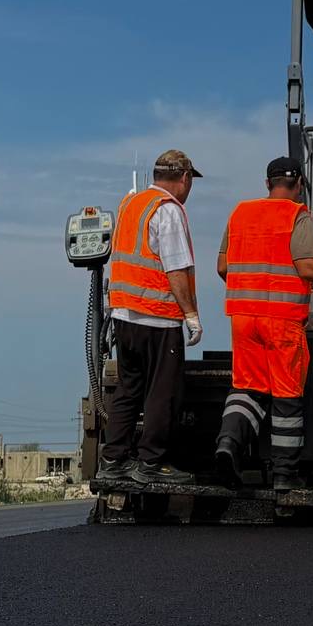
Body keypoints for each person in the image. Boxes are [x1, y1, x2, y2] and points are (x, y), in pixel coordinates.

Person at [208, 156, 313, 489]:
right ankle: (285, 475)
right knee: (287, 398)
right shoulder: (297, 215)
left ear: (267, 183)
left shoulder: (240, 212)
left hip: (243, 320)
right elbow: (307, 267)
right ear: (299, 183)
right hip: (281, 322)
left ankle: (228, 444)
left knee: (247, 390)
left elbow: (223, 267)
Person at [100, 149, 203, 487]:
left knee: (130, 388)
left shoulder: (131, 204)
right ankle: (152, 463)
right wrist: (190, 314)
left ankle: (113, 459)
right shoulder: (168, 211)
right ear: (184, 178)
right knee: (163, 391)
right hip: (156, 317)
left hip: (123, 314)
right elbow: (175, 269)